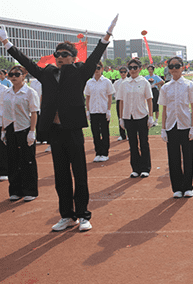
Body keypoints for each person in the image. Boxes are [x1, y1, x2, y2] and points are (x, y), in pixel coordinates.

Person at [1, 15, 118, 232]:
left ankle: (83, 215)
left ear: (73, 57)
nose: (60, 57)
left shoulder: (80, 71)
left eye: (65, 55)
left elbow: (95, 56)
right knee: (61, 174)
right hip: (54, 131)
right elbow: (26, 62)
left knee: (79, 174)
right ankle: (67, 215)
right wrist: (7, 44)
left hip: (72, 129)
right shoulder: (46, 73)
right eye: (58, 55)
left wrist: (107, 35)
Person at [159, 57, 193, 198]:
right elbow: (164, 109)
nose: (174, 68)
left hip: (185, 125)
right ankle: (176, 187)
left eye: (177, 66)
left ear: (183, 67)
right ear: (168, 68)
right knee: (173, 158)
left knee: (188, 157)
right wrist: (163, 128)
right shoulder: (165, 87)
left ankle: (188, 186)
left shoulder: (190, 85)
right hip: (171, 125)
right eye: (171, 66)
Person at [2, 66, 40, 201]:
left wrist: (32, 131)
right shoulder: (6, 93)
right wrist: (3, 131)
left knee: (27, 160)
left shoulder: (30, 92)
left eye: (17, 74)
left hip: (25, 128)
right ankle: (15, 190)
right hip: (10, 128)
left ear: (24, 75)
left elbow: (34, 112)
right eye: (10, 74)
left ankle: (30, 190)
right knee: (12, 160)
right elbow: (4, 112)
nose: (13, 77)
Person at [117, 58, 154, 178]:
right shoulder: (124, 83)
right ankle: (135, 168)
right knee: (132, 143)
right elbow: (121, 101)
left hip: (141, 115)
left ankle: (145, 168)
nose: (133, 70)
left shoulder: (144, 82)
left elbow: (149, 99)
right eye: (130, 68)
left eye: (135, 68)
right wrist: (121, 118)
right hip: (128, 116)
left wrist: (151, 116)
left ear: (140, 68)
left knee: (144, 142)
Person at [84, 61, 115, 162]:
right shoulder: (89, 82)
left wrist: (109, 110)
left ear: (102, 68)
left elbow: (110, 97)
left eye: (98, 68)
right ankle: (98, 152)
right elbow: (87, 97)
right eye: (94, 68)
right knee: (95, 133)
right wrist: (87, 111)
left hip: (103, 111)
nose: (96, 70)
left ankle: (105, 153)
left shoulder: (106, 82)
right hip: (93, 111)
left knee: (105, 133)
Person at [113, 67, 129, 141]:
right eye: (121, 72)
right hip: (119, 101)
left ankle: (129, 134)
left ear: (127, 72)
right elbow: (114, 92)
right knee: (120, 117)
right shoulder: (116, 83)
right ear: (119, 73)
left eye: (124, 72)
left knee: (128, 117)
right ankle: (122, 135)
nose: (123, 73)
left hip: (127, 101)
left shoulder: (129, 81)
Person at [0, 84, 10, 182]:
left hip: (1, 122)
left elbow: (5, 108)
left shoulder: (4, 89)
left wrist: (4, 127)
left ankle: (3, 171)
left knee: (2, 149)